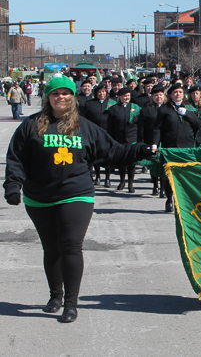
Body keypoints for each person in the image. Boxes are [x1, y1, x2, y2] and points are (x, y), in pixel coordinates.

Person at [3, 75, 154, 323]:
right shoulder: (31, 126)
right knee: (51, 249)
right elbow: (16, 158)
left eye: (65, 93)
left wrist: (140, 150)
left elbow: (113, 151)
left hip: (76, 194)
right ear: (47, 97)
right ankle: (55, 296)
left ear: (72, 97)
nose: (60, 97)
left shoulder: (84, 127)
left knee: (70, 245)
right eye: (55, 93)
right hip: (40, 197)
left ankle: (71, 304)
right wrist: (13, 185)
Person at [155, 83, 201, 211]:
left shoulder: (190, 108)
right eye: (175, 92)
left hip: (186, 147)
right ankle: (169, 199)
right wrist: (155, 144)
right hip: (170, 147)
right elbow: (157, 129)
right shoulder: (164, 110)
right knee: (169, 176)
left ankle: (182, 201)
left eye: (180, 92)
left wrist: (187, 114)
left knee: (184, 176)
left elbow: (198, 125)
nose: (178, 94)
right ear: (170, 95)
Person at [107, 87, 142, 192]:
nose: (126, 98)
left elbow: (140, 125)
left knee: (132, 163)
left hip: (132, 139)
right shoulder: (113, 109)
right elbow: (110, 126)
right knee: (122, 162)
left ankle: (131, 184)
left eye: (128, 96)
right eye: (124, 96)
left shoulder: (136, 108)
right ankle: (122, 181)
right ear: (120, 97)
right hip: (119, 139)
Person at [83, 83, 117, 187]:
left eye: (103, 92)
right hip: (94, 133)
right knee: (95, 156)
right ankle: (97, 175)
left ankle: (107, 177)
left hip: (108, 133)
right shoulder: (89, 104)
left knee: (108, 156)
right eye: (99, 92)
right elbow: (85, 118)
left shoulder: (112, 103)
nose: (101, 94)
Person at [137, 84, 166, 196]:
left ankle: (163, 188)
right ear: (152, 97)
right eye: (156, 95)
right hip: (150, 140)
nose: (158, 97)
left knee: (163, 165)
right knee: (153, 164)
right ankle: (155, 186)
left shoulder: (167, 108)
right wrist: (141, 142)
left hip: (164, 140)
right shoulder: (147, 109)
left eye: (160, 95)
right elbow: (141, 127)